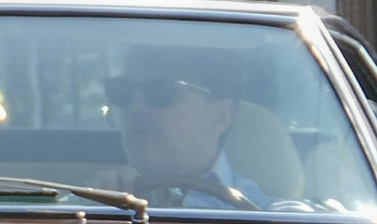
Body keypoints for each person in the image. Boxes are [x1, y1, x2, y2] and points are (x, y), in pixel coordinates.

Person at [109, 45, 271, 208]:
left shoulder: (271, 217)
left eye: (161, 91)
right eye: (122, 90)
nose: (134, 107)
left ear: (221, 116)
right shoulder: (94, 205)